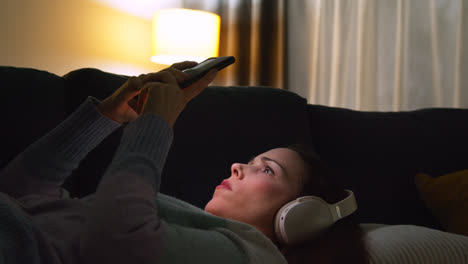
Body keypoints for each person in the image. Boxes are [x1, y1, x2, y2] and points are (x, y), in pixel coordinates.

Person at [1, 61, 467, 264]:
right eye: (249, 161)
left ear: (299, 217)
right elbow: (23, 192)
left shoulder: (251, 255)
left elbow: (115, 239)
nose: (237, 168)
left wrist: (158, 123)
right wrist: (107, 117)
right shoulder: (188, 229)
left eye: (267, 169)